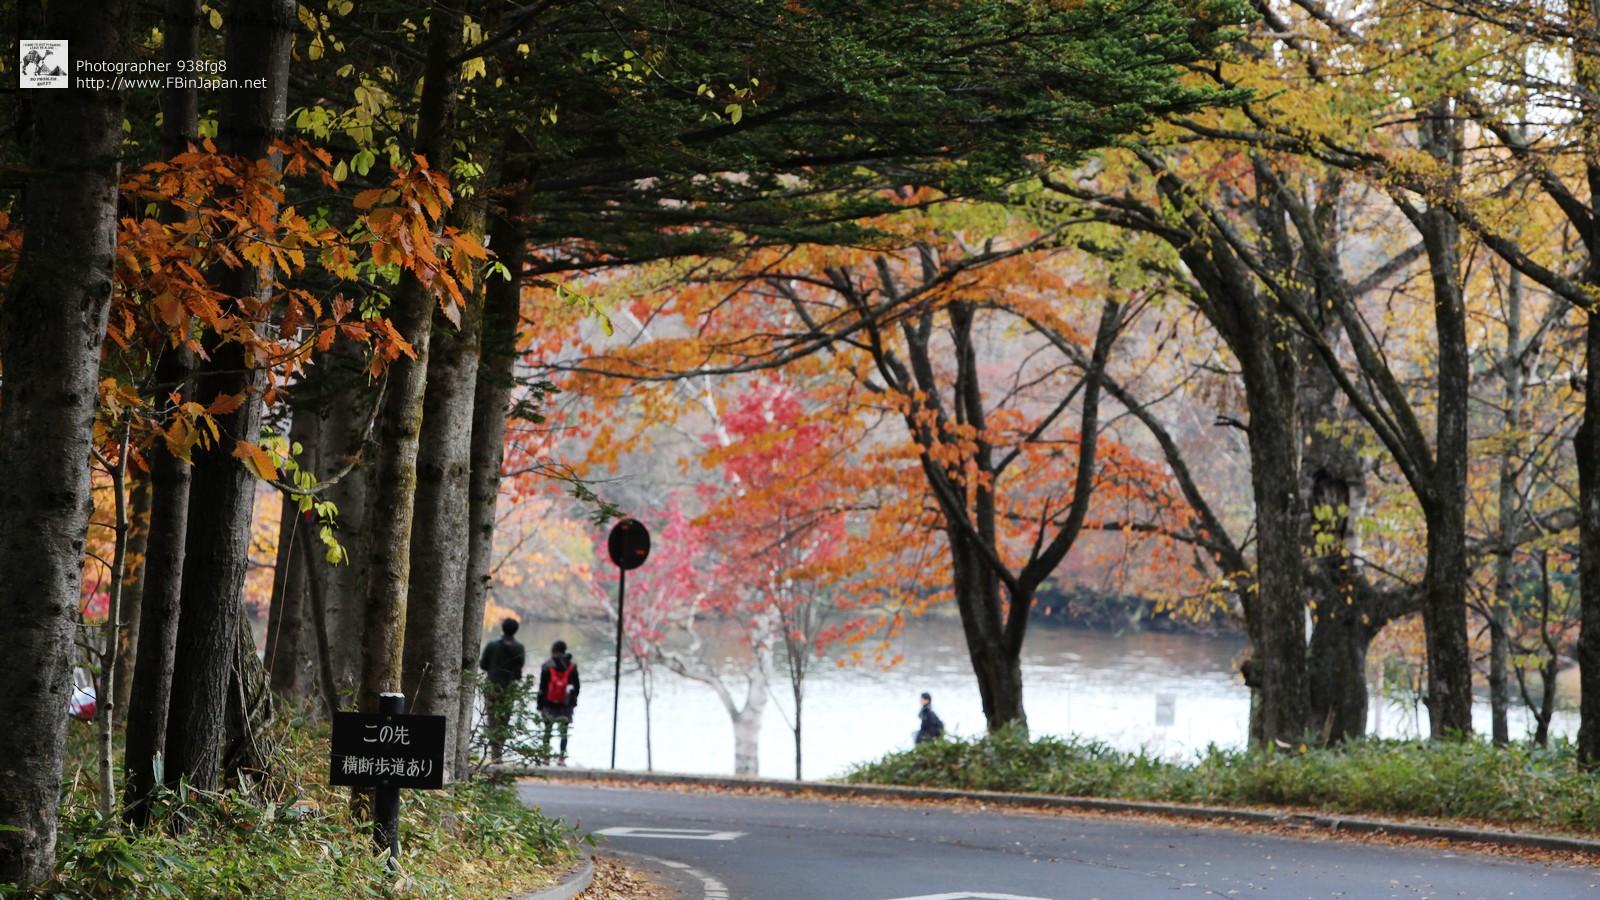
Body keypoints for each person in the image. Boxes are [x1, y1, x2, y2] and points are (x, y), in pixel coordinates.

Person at [479, 617, 526, 762]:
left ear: (502, 628)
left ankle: (494, 754)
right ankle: (498, 753)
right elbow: (520, 666)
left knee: (492, 719)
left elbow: (483, 665)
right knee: (504, 721)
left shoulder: (493, 645)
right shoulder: (519, 647)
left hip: (492, 687)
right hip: (509, 690)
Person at [537, 640, 580, 765]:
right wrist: (573, 700)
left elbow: (542, 686)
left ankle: (545, 757)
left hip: (548, 703)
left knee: (547, 730)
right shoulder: (572, 665)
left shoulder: (547, 665)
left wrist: (540, 704)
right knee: (564, 731)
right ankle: (561, 759)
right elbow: (577, 686)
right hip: (566, 705)